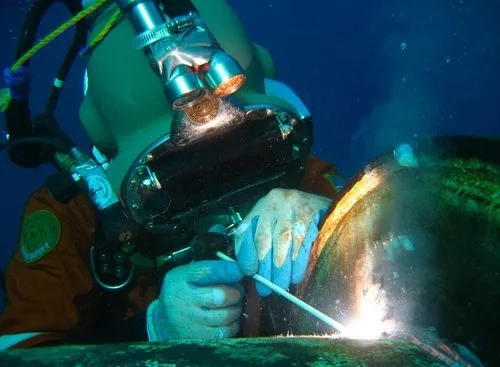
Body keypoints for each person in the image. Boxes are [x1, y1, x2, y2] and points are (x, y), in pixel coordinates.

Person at [0, 0, 341, 349]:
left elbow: (388, 226)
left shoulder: (295, 176)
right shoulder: (75, 219)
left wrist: (335, 226)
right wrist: (150, 332)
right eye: (181, 176)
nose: (219, 199)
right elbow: (21, 355)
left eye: (243, 151)